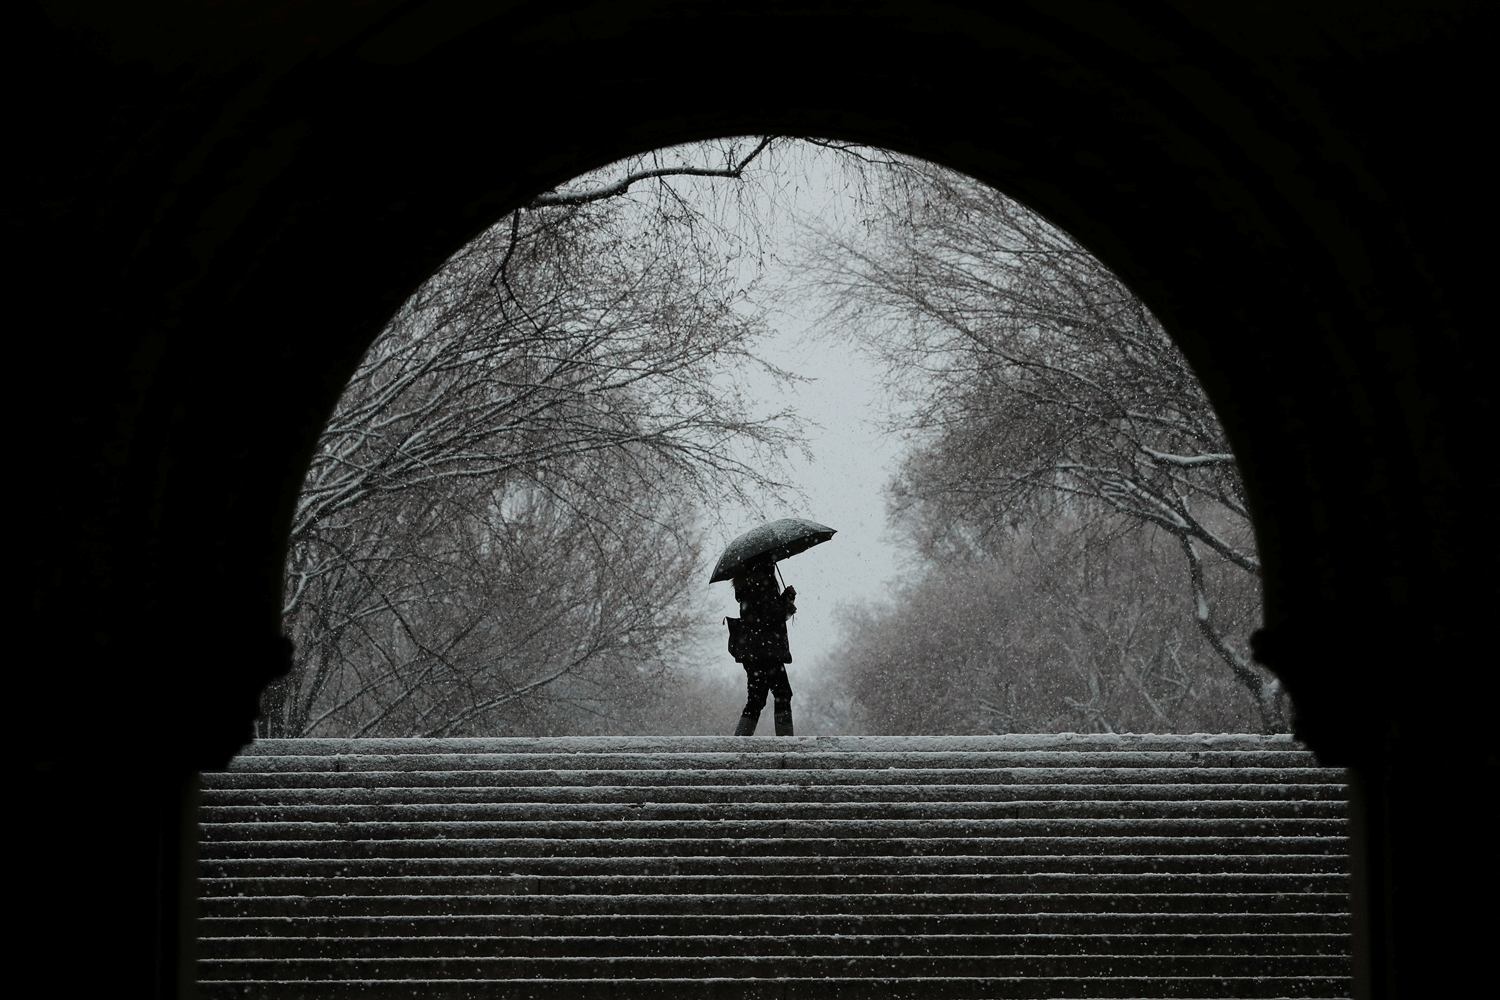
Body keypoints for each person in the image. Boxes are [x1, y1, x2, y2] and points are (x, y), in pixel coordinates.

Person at [729, 560, 798, 736]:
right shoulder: (762, 584)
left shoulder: (748, 585)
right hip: (767, 651)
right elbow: (771, 616)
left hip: (753, 652)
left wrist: (783, 601)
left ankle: (739, 744)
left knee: (756, 699)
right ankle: (785, 744)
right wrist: (787, 601)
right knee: (782, 694)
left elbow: (761, 614)